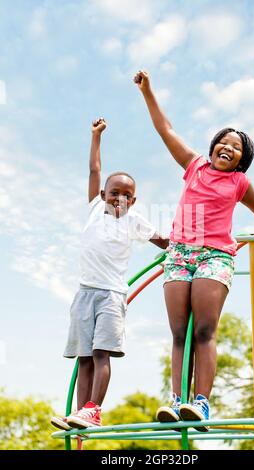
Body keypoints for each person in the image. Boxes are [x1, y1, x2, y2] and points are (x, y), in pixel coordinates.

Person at [134, 70, 254, 431]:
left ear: (242, 160)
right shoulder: (193, 165)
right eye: (223, 142)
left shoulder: (239, 182)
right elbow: (166, 130)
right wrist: (149, 92)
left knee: (205, 331)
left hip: (215, 255)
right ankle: (177, 401)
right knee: (180, 334)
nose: (228, 147)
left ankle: (201, 404)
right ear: (212, 147)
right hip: (178, 254)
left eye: (236, 147)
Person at [51, 117, 168, 431]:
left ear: (134, 200)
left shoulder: (134, 220)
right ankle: (79, 415)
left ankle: (94, 409)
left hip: (111, 295)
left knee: (102, 353)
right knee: (83, 357)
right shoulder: (93, 207)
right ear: (103, 194)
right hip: (83, 294)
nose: (120, 198)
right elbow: (94, 169)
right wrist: (96, 137)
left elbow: (164, 242)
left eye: (127, 195)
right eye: (115, 192)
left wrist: (187, 244)